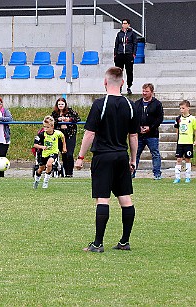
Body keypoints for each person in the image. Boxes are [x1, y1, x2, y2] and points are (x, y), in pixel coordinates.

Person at [75, 67, 139, 253]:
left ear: (105, 82)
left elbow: (89, 133)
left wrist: (80, 157)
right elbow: (133, 136)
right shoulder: (131, 105)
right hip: (121, 156)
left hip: (103, 156)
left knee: (102, 199)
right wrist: (133, 160)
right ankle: (124, 241)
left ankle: (97, 243)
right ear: (123, 83)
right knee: (125, 199)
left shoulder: (100, 104)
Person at [134, 83, 164, 180]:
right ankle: (132, 172)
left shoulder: (157, 104)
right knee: (135, 154)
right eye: (143, 91)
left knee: (155, 153)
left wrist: (150, 127)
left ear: (152, 92)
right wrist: (138, 128)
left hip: (152, 135)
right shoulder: (137, 104)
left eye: (146, 91)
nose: (144, 93)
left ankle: (157, 173)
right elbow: (133, 118)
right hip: (139, 135)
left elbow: (160, 118)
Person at [33, 116, 66, 189]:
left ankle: (46, 181)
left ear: (52, 126)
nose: (45, 129)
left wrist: (64, 147)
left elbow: (63, 137)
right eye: (44, 127)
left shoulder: (57, 133)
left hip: (54, 152)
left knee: (49, 164)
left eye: (47, 127)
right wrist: (42, 147)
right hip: (44, 154)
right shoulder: (42, 134)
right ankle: (37, 180)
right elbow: (35, 145)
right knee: (41, 169)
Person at [51, 97, 81, 177]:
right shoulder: (55, 113)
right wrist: (58, 120)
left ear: (65, 104)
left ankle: (70, 173)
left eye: (62, 104)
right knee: (63, 154)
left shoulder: (70, 111)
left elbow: (77, 118)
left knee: (69, 154)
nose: (61, 105)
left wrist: (68, 119)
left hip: (70, 135)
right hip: (59, 136)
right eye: (59, 104)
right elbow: (51, 121)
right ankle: (65, 172)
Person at [173, 100, 196, 183]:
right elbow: (177, 129)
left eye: (183, 108)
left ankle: (188, 177)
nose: (181, 110)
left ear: (188, 108)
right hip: (180, 142)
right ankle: (177, 177)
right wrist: (178, 138)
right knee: (178, 159)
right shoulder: (178, 118)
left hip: (188, 142)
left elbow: (195, 130)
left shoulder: (192, 119)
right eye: (180, 108)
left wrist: (195, 140)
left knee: (187, 159)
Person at [114, 18, 137, 95]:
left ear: (128, 24)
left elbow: (135, 44)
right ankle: (118, 87)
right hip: (120, 54)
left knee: (129, 71)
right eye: (123, 23)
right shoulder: (119, 34)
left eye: (125, 23)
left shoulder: (132, 34)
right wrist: (115, 53)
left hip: (128, 54)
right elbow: (116, 44)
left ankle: (129, 86)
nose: (124, 25)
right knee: (118, 72)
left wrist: (133, 53)